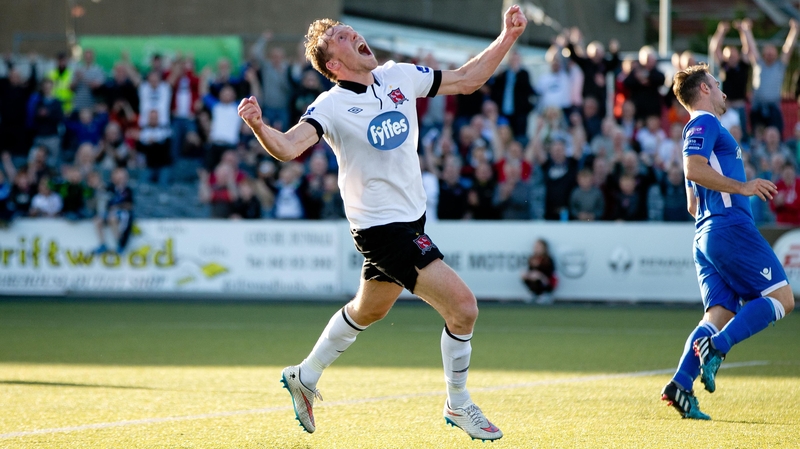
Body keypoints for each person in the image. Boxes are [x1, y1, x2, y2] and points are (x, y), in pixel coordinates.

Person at [237, 7, 528, 441]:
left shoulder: (399, 76)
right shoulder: (331, 105)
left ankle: (305, 374)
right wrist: (260, 127)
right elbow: (289, 146)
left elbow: (467, 80)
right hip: (380, 230)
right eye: (339, 36)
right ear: (334, 65)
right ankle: (459, 404)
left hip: (412, 220)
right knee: (463, 308)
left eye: (347, 29)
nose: (350, 32)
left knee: (368, 310)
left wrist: (507, 36)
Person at [660, 63, 794, 420]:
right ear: (703, 90)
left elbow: (691, 202)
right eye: (717, 84)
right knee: (782, 298)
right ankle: (716, 348)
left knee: (719, 313)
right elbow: (693, 169)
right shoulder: (705, 122)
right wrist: (742, 187)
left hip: (705, 232)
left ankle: (680, 384)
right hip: (728, 226)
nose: (722, 90)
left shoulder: (696, 129)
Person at [94, 167, 134, 254]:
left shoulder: (128, 190)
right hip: (110, 212)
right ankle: (102, 244)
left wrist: (117, 206)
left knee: (112, 218)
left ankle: (119, 242)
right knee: (98, 220)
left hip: (121, 213)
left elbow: (130, 205)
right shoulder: (110, 188)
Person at [521, 238, 557, 304]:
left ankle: (545, 294)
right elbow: (530, 270)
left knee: (537, 276)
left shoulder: (548, 259)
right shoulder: (532, 258)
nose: (536, 248)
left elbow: (550, 273)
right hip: (535, 279)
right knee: (526, 275)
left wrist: (539, 274)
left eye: (538, 246)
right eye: (535, 246)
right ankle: (534, 293)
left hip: (546, 280)